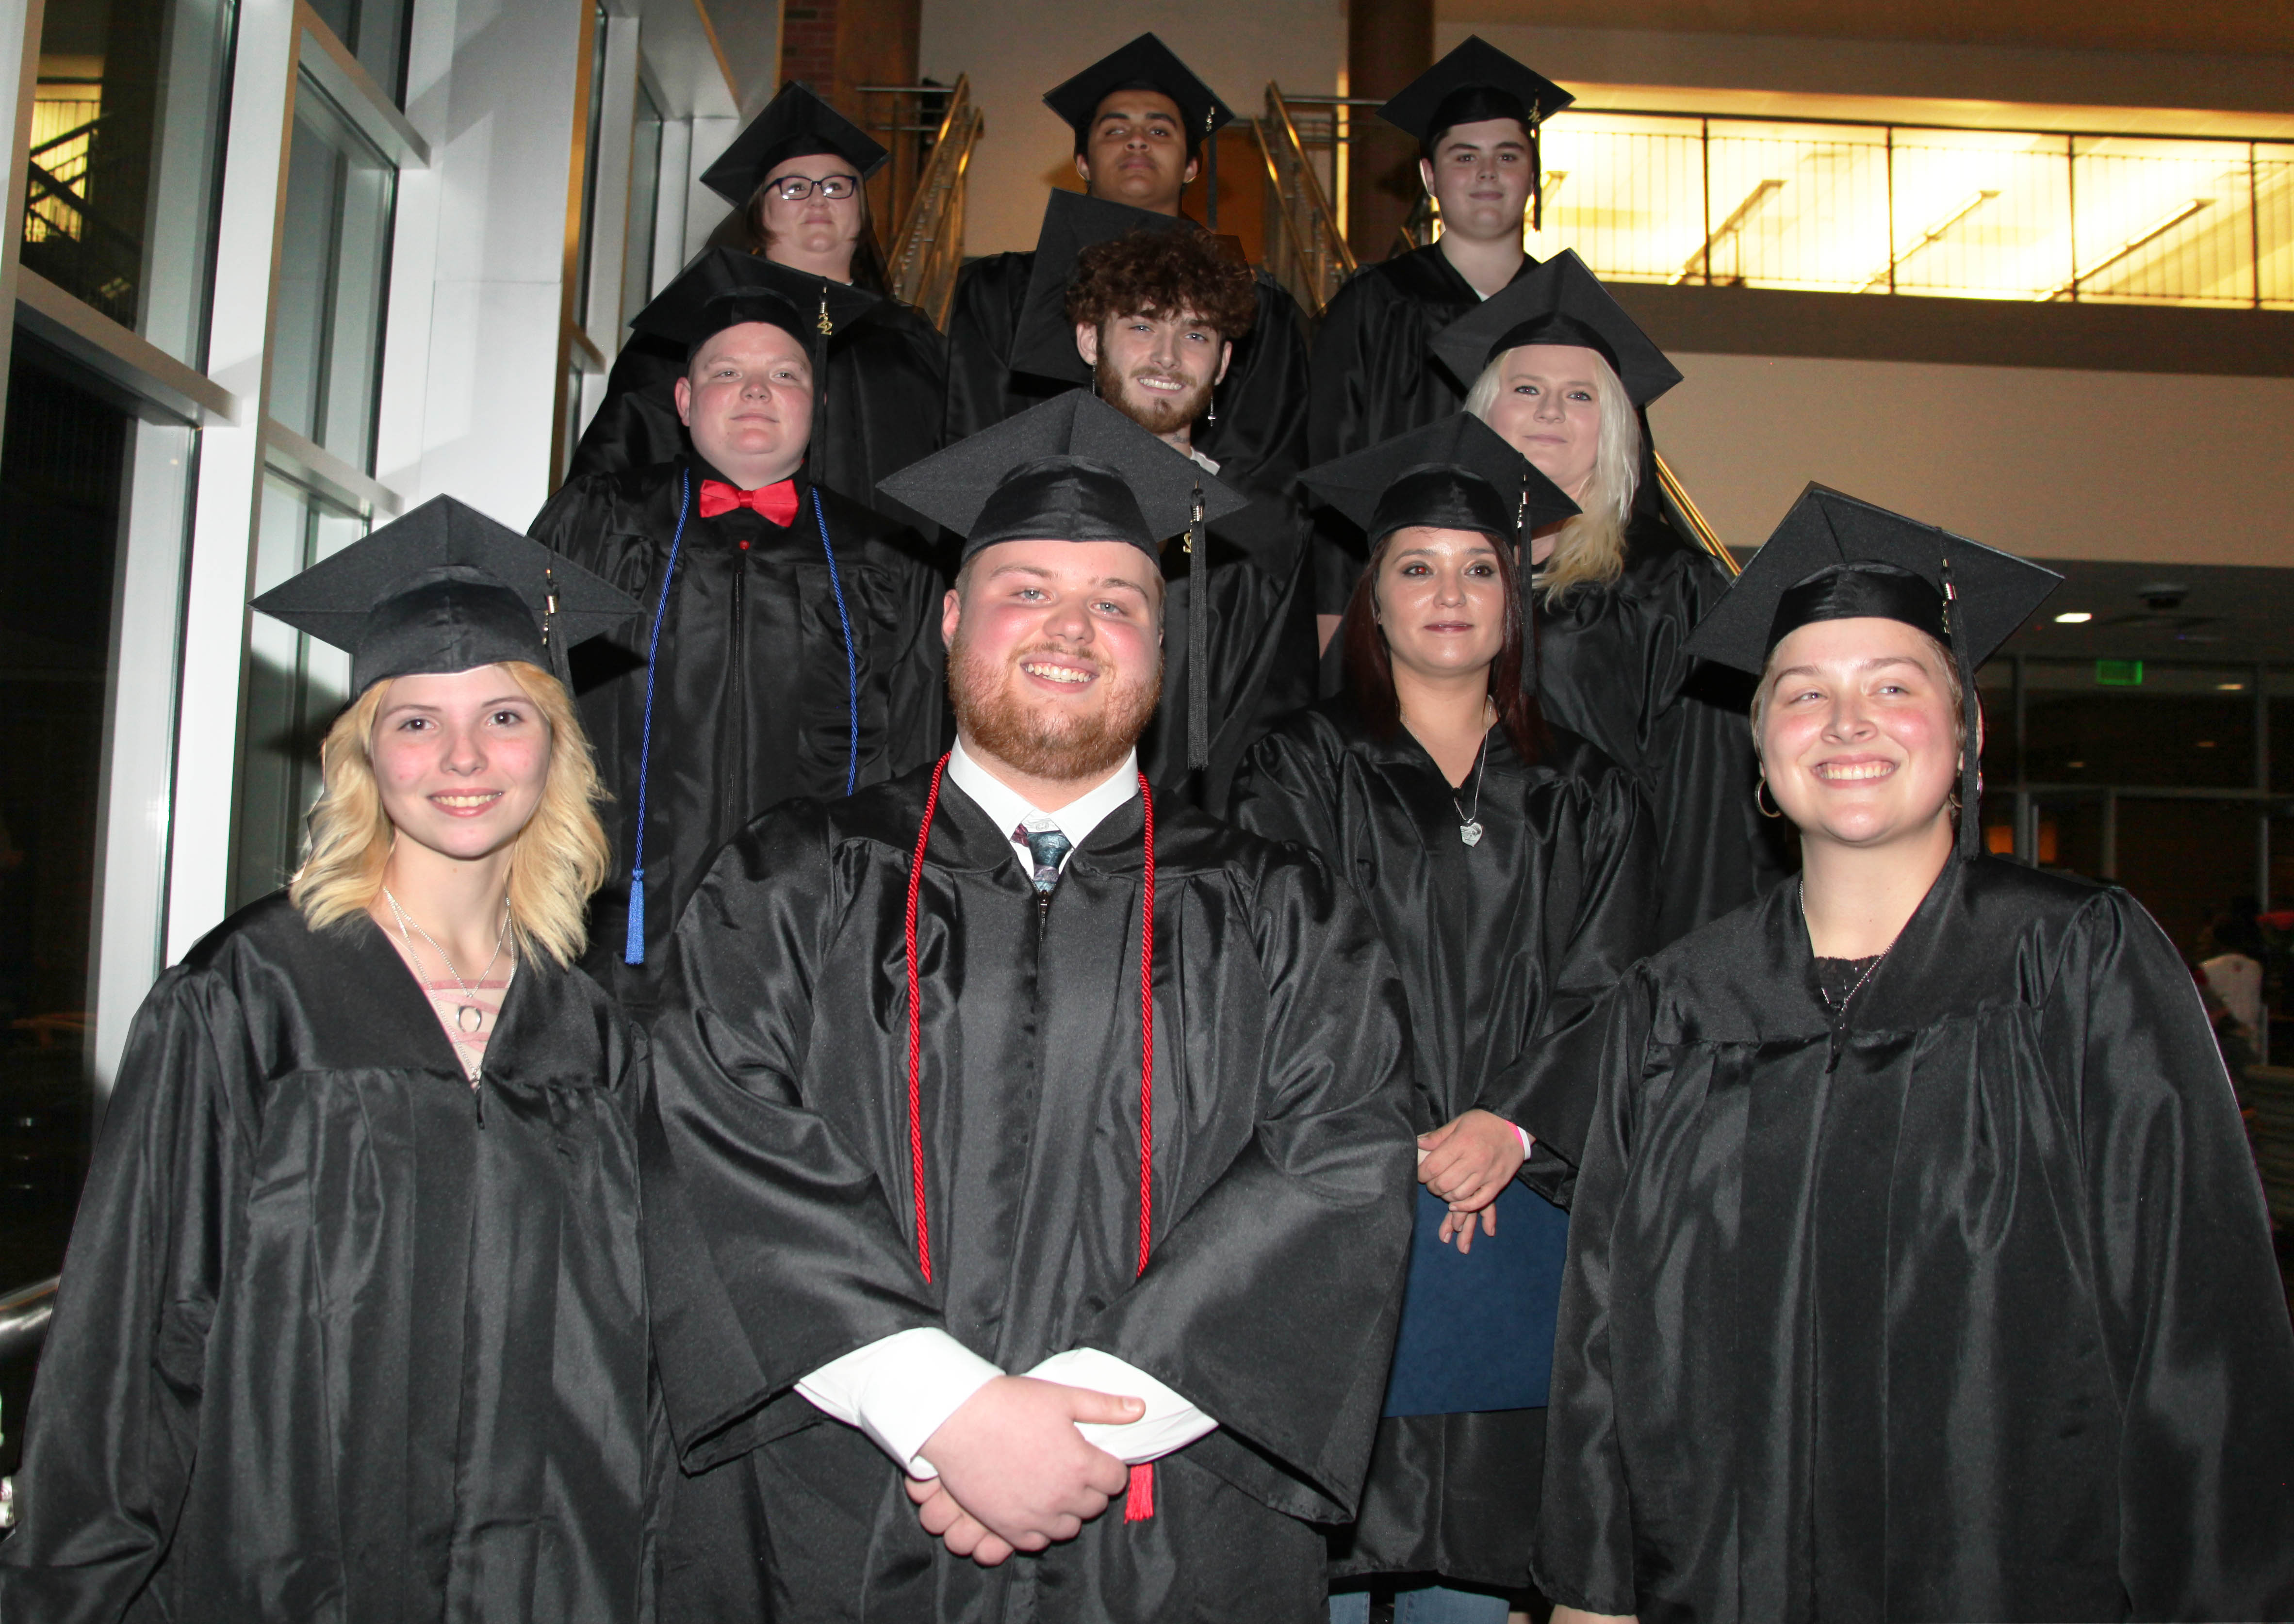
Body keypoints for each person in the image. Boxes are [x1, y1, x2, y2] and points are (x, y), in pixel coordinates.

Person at [639, 391, 1417, 1622]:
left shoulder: (1279, 905)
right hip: (841, 1504)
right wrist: (942, 1407)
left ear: (1162, 648)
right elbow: (709, 1127)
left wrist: (1089, 1420)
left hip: (1170, 1516)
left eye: (1119, 601)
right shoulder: (792, 874)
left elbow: (1339, 1156)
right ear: (950, 618)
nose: (1073, 627)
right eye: (1026, 589)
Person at [1537, 486, 2294, 1624]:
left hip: (2016, 1576)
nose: (1846, 724)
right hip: (1724, 1578)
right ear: (1759, 754)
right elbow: (1602, 1331)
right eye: (1803, 695)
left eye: (1893, 686)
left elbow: (2196, 1319)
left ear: (1965, 731)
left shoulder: (2074, 962)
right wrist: (1594, 1590)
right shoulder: (1678, 1004)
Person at [0, 501, 661, 1620]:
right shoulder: (252, 996)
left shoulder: (588, 1033)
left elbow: (626, 1376)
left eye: (503, 714)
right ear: (361, 752)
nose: (461, 757)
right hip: (286, 1570)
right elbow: (131, 1345)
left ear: (554, 746)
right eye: (414, 722)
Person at [1232, 415, 1655, 1622]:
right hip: (1348, 1195)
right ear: (1371, 600)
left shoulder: (1589, 788)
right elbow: (1287, 977)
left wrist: (1508, 1130)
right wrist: (1409, 1141)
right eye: (1415, 567)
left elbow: (1612, 984)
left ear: (1515, 602)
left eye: (1479, 568)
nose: (1450, 593)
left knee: (1473, 1559)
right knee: (1315, 1541)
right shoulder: (1296, 767)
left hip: (1520, 1209)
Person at [533, 256, 948, 1002]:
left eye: (785, 375)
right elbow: (524, 703)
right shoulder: (596, 524)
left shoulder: (889, 560)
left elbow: (917, 756)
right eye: (728, 373)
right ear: (685, 401)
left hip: (814, 944)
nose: (757, 389)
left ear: (815, 404)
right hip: (612, 934)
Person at [1431, 250, 1782, 942]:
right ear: (1485, 412)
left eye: (1581, 395)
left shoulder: (1667, 583)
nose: (1551, 411)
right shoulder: (1421, 572)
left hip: (1605, 930)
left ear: (1615, 425)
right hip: (1452, 925)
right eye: (1526, 389)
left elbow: (1706, 811)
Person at [943, 34, 1311, 503]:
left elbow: (1265, 458)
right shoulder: (999, 291)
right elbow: (976, 429)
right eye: (1114, 131)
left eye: (1160, 131)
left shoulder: (1257, 304)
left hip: (1199, 546)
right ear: (1082, 162)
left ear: (1192, 166)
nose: (1137, 140)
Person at [565, 80, 947, 520]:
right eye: (792, 187)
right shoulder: (695, 330)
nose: (818, 199)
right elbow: (612, 473)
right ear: (758, 211)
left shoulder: (913, 342)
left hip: (886, 579)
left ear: (862, 209)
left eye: (838, 186)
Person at [1306, 37, 1572, 656]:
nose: (1487, 173)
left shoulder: (1569, 316)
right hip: (1402, 608)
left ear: (1532, 176)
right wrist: (1332, 617)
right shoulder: (1374, 306)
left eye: (1508, 156)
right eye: (1463, 156)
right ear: (1428, 176)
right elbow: (1330, 478)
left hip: (1553, 608)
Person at [1059, 223, 1317, 809]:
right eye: (1143, 326)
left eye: (1195, 334)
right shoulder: (1027, 504)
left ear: (1224, 361)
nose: (1168, 358)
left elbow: (1279, 727)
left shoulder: (1264, 535)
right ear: (1090, 341)